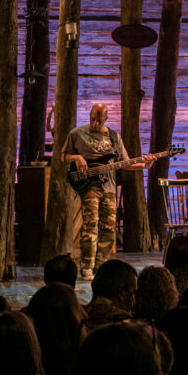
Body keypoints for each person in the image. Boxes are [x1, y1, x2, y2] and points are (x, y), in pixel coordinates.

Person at [62, 103, 155, 279]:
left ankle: (101, 265)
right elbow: (63, 156)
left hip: (108, 187)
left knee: (108, 228)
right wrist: (77, 157)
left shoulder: (113, 137)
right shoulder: (77, 134)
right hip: (89, 186)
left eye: (98, 120)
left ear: (105, 118)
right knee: (91, 225)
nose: (95, 123)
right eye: (92, 119)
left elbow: (126, 162)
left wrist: (145, 164)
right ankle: (87, 266)